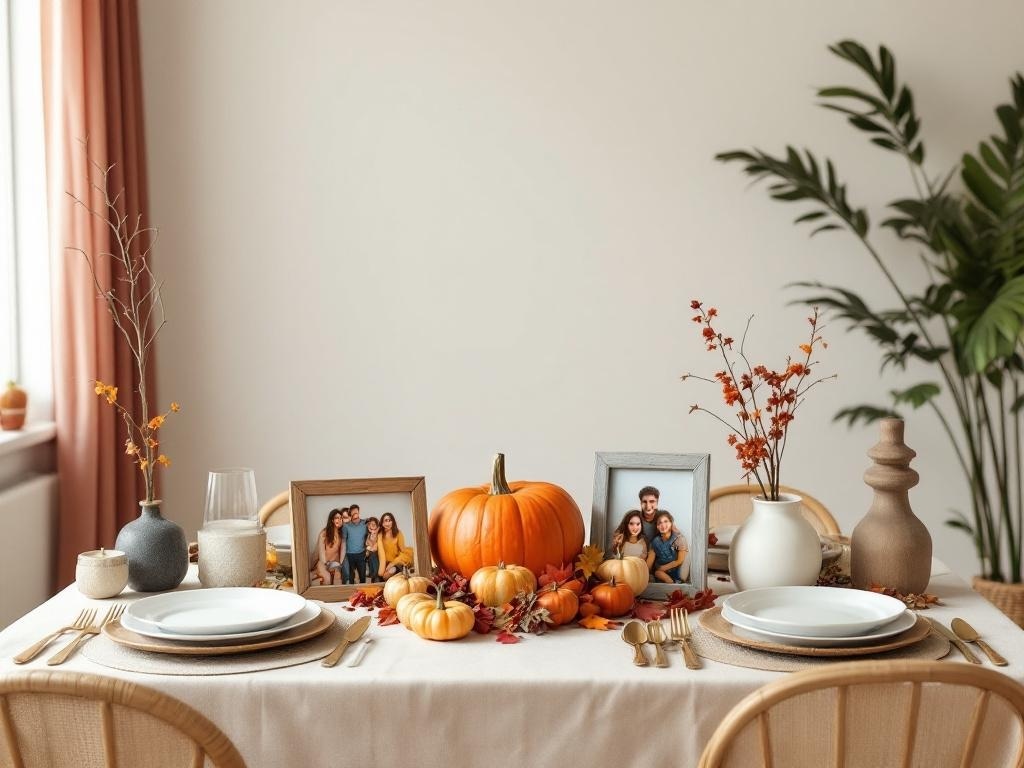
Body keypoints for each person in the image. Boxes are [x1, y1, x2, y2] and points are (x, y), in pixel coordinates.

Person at [648, 511, 689, 583]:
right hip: (660, 572)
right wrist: (645, 573)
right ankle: (669, 582)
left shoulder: (679, 539)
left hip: (675, 569)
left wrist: (663, 568)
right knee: (657, 573)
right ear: (657, 526)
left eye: (666, 521)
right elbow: (650, 562)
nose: (663, 525)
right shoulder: (656, 541)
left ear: (671, 523)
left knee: (658, 572)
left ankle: (673, 583)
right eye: (659, 523)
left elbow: (679, 561)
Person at [377, 511, 414, 579]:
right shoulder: (380, 535)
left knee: (391, 571)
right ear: (382, 523)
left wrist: (392, 563)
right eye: (385, 521)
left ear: (393, 522)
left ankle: (395, 571)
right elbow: (380, 554)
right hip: (384, 562)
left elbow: (403, 550)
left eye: (389, 520)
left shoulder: (398, 533)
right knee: (384, 576)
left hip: (396, 561)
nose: (387, 523)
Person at [314, 509, 345, 585]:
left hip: (334, 563)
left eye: (341, 518)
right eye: (337, 518)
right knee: (327, 578)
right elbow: (321, 552)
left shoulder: (341, 534)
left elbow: (341, 551)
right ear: (332, 520)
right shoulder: (324, 533)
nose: (339, 520)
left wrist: (339, 564)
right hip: (323, 562)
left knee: (338, 578)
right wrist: (325, 564)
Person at [341, 504, 368, 584]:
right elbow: (343, 541)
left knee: (362, 577)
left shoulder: (365, 523)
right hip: (350, 555)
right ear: (350, 514)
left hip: (361, 554)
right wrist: (342, 558)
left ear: (358, 512)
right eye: (352, 513)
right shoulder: (346, 526)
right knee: (350, 578)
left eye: (356, 512)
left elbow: (374, 526)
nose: (355, 515)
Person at [364, 516, 381, 583]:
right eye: (370, 524)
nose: (371, 525)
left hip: (377, 555)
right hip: (369, 556)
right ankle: (373, 575)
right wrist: (368, 548)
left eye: (374, 524)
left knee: (373, 555)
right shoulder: (368, 535)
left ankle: (375, 575)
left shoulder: (379, 535)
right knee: (370, 557)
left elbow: (375, 548)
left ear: (377, 527)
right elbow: (366, 545)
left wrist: (369, 548)